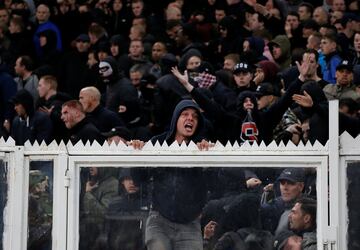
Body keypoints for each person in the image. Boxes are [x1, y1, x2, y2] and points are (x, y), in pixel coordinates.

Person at [131, 99, 214, 250]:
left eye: (195, 116)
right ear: (176, 119)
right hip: (159, 221)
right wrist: (137, 154)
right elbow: (138, 178)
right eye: (185, 114)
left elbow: (215, 183)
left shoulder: (202, 148)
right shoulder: (157, 142)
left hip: (190, 224)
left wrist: (210, 157)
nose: (190, 118)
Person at [260, 168, 305, 236]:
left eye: (290, 183)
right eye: (282, 183)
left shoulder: (310, 209)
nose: (285, 188)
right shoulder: (271, 206)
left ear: (301, 186)